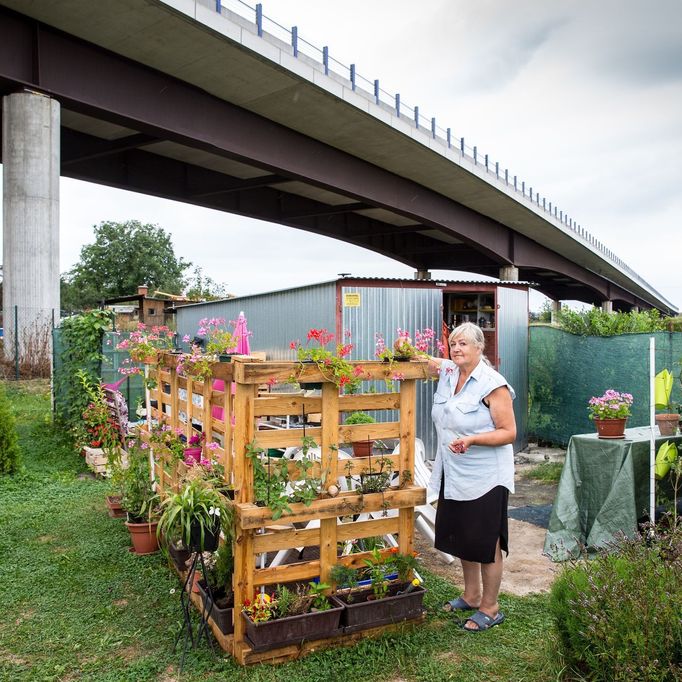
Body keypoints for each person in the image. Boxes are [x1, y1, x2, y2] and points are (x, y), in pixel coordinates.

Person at [423, 322, 517, 632]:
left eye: (464, 343)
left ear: (479, 348)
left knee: (485, 540)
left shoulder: (492, 384)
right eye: (453, 344)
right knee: (463, 536)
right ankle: (472, 594)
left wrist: (473, 440)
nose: (457, 348)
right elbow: (426, 362)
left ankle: (490, 607)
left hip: (486, 476)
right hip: (454, 469)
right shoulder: (450, 372)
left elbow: (509, 432)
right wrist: (402, 348)